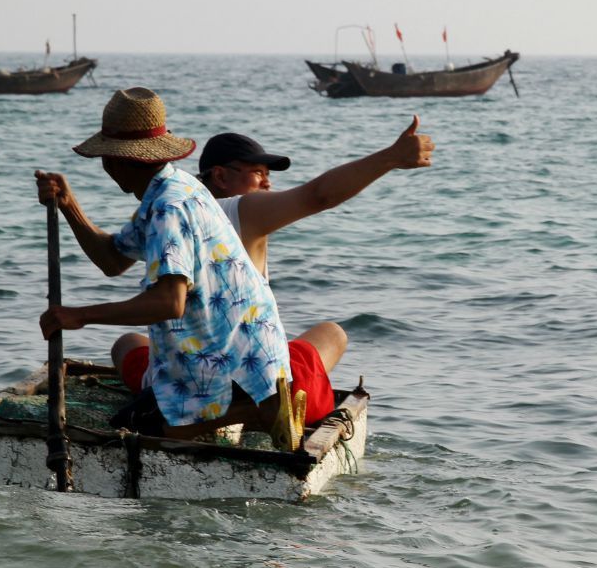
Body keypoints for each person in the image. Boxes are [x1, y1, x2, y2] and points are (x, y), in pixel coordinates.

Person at [35, 87, 342, 438]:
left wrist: (80, 315)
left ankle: (258, 411)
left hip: (233, 366)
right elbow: (112, 259)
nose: (105, 167)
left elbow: (169, 302)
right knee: (144, 403)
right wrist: (69, 205)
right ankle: (259, 405)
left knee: (147, 428)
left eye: (106, 157)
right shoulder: (174, 187)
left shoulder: (169, 206)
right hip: (250, 357)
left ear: (118, 161)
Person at [196, 118, 434, 280]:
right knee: (333, 334)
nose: (267, 183)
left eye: (268, 174)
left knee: (331, 334)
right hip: (244, 353)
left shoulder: (181, 211)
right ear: (220, 176)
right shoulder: (237, 210)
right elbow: (319, 196)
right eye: (258, 173)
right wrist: (391, 157)